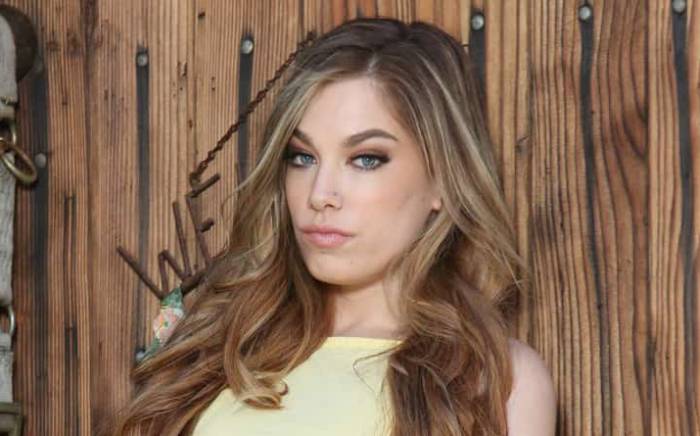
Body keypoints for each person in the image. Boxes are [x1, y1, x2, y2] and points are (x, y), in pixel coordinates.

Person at [112, 16, 556, 436]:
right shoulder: (218, 346)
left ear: (443, 178)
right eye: (302, 157)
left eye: (366, 160)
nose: (320, 194)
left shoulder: (496, 378)